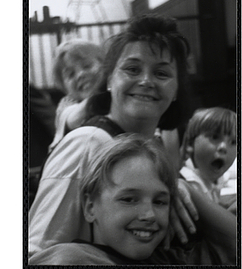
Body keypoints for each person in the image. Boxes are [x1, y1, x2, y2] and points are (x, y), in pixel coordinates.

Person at [29, 14, 198, 257]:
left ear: (176, 90)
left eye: (161, 73)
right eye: (132, 69)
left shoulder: (156, 146)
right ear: (109, 79)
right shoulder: (88, 142)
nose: (146, 81)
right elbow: (40, 250)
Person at [29, 134, 236, 265]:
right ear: (90, 207)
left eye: (160, 202)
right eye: (129, 199)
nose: (149, 215)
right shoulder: (72, 259)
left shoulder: (173, 258)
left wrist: (186, 190)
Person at [48, 39, 105, 152]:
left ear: (104, 65)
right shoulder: (68, 103)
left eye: (87, 66)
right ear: (64, 87)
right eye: (70, 74)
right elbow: (72, 118)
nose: (80, 74)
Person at [180, 107, 237, 204]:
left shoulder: (216, 179)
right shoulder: (187, 184)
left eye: (233, 142)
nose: (223, 147)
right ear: (190, 144)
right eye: (215, 137)